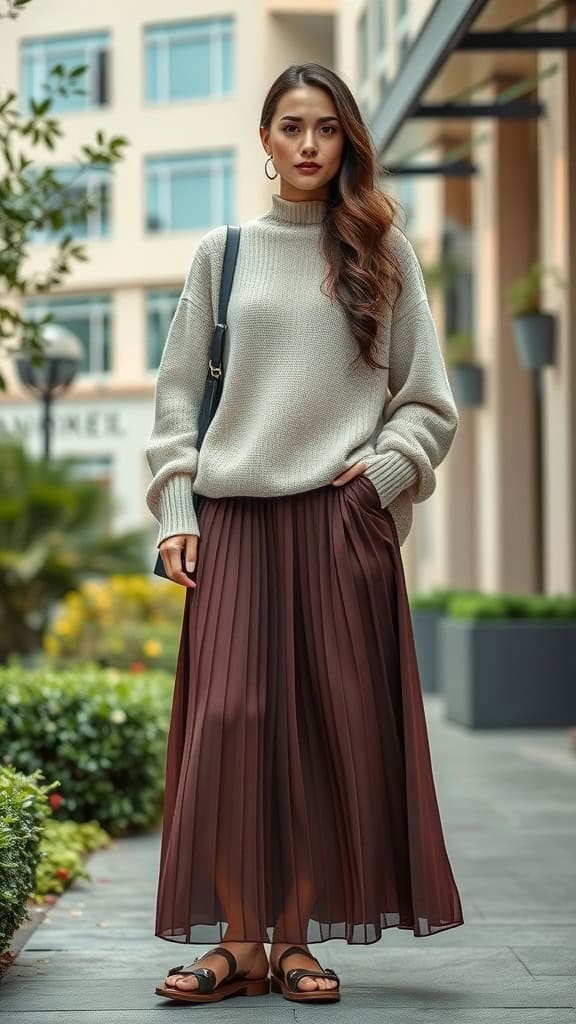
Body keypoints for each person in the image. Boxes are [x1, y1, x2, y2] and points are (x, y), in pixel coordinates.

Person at [146, 62, 464, 1007]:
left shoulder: (382, 252)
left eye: (327, 127)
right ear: (266, 140)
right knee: (232, 726)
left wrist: (386, 474)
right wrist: (175, 509)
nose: (311, 144)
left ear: (347, 139)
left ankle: (294, 942)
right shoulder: (223, 252)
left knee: (325, 736)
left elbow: (427, 399)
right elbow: (174, 400)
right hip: (236, 519)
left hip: (338, 522)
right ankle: (239, 942)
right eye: (292, 126)